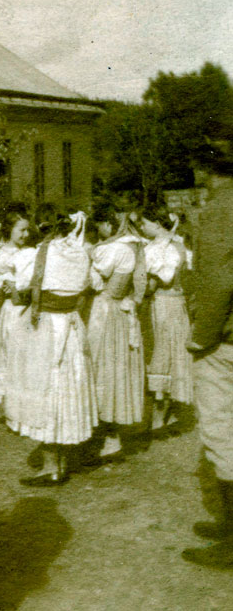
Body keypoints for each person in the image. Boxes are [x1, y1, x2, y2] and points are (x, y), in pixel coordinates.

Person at [5, 211, 98, 485]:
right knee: (66, 388)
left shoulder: (38, 254)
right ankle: (62, 460)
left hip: (45, 327)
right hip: (71, 325)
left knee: (46, 388)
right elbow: (91, 283)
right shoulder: (81, 253)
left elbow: (22, 287)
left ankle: (51, 466)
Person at [182, 135, 233, 569]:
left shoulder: (220, 210)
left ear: (205, 170)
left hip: (226, 342)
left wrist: (202, 336)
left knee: (223, 437)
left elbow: (218, 281)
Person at [85, 207, 147, 463]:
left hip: (106, 311)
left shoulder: (116, 249)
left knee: (103, 369)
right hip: (121, 311)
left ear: (108, 225)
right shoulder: (134, 246)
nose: (100, 231)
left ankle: (109, 437)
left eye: (100, 225)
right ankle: (109, 435)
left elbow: (94, 282)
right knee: (114, 371)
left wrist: (88, 257)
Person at [138, 204, 193, 434]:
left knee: (163, 352)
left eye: (144, 223)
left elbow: (166, 277)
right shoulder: (175, 245)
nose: (141, 227)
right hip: (172, 304)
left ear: (157, 224)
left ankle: (160, 416)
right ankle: (163, 412)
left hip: (164, 305)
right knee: (167, 352)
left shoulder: (163, 248)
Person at [0, 209, 31, 404]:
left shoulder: (30, 252)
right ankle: (12, 398)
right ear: (9, 230)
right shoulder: (1, 256)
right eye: (22, 230)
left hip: (31, 308)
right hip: (14, 309)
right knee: (13, 351)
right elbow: (6, 285)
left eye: (28, 230)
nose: (26, 234)